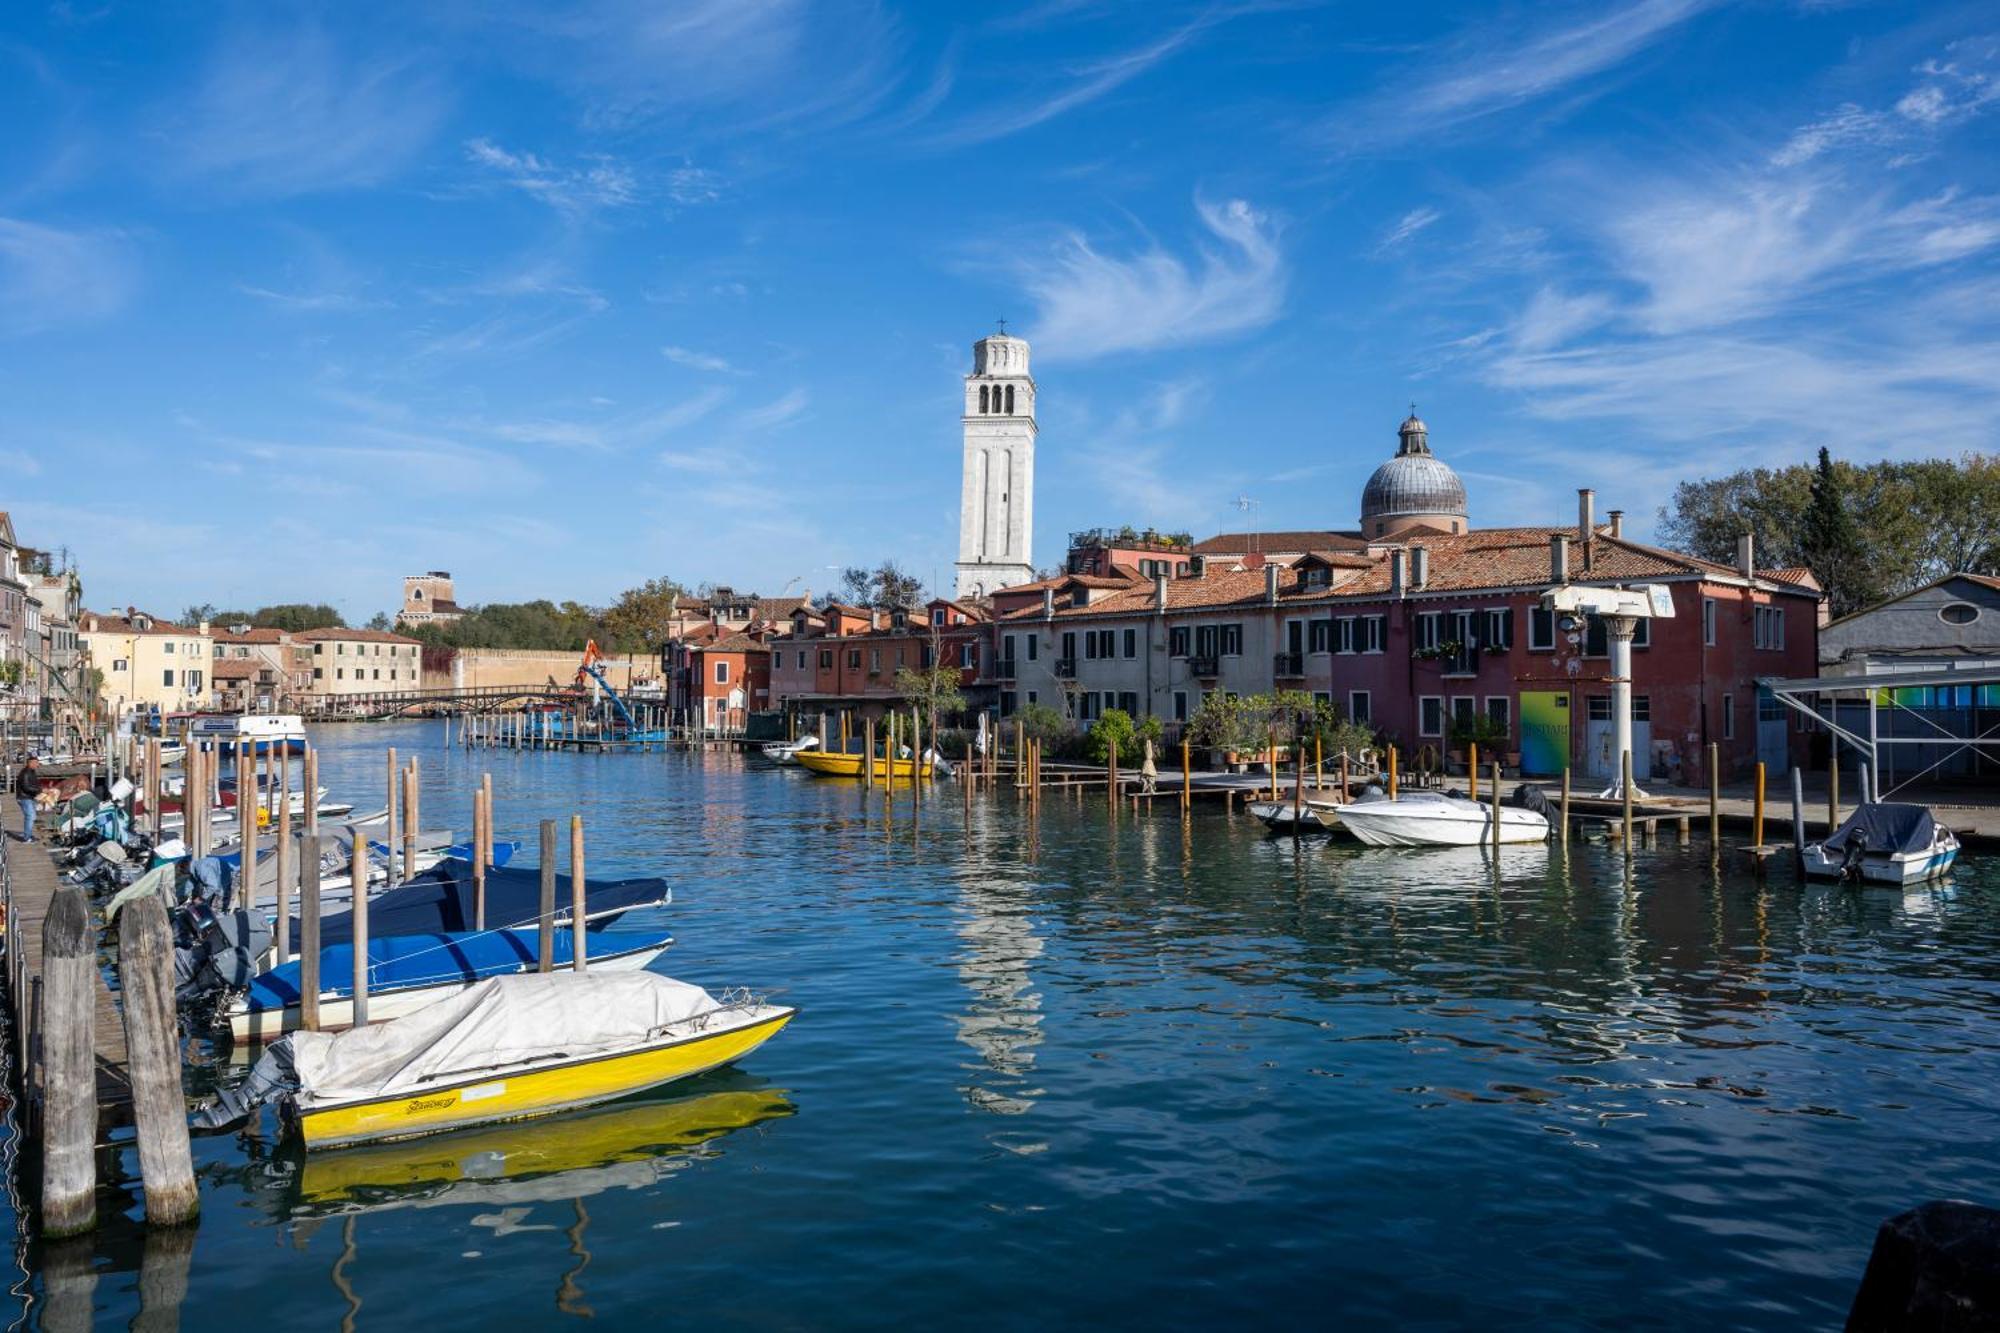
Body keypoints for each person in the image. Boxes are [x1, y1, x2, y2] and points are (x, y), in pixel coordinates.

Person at [14, 755, 42, 843]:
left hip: (29, 797)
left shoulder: (32, 772)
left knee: (31, 817)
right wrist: (40, 790)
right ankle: (26, 838)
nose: (37, 765)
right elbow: (26, 787)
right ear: (30, 763)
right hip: (24, 798)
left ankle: (28, 834)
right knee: (30, 817)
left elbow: (34, 784)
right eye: (36, 763)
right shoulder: (25, 773)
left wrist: (40, 789)